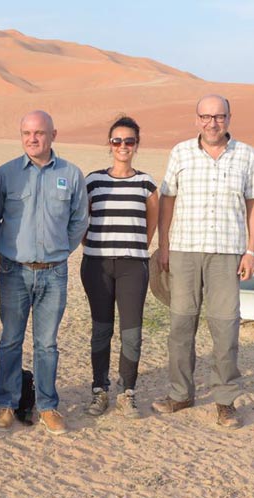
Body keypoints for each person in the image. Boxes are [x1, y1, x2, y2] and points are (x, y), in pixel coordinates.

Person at [152, 94, 254, 429]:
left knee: (226, 327)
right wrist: (165, 244)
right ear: (196, 119)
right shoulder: (181, 152)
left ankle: (225, 400)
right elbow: (167, 199)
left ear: (229, 118)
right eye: (205, 116)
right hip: (185, 251)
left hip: (226, 254)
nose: (211, 123)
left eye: (218, 116)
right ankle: (180, 392)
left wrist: (252, 250)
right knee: (180, 326)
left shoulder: (245, 155)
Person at [0, 110, 88, 435]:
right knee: (10, 340)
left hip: (54, 273)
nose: (32, 139)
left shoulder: (71, 175)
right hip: (14, 271)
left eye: (39, 133)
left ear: (53, 134)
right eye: (27, 133)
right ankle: (6, 402)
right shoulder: (5, 175)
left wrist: (60, 250)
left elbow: (79, 221)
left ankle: (47, 406)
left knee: (47, 344)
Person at [81, 116, 159, 419]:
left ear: (137, 144)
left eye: (129, 141)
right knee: (101, 330)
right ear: (109, 144)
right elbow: (82, 220)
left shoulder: (146, 182)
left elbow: (150, 223)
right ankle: (99, 390)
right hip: (97, 265)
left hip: (133, 267)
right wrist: (95, 244)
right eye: (117, 141)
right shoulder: (94, 180)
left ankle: (127, 392)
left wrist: (136, 245)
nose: (123, 146)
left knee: (132, 333)